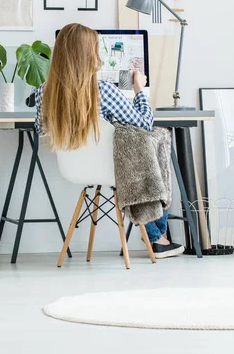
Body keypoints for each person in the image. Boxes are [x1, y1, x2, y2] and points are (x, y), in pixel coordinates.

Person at [35, 23, 184, 259]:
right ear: (90, 55)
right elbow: (143, 123)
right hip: (117, 171)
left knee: (141, 144)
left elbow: (40, 130)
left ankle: (158, 237)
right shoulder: (103, 90)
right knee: (155, 138)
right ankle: (159, 236)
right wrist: (139, 90)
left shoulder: (43, 92)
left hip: (71, 170)